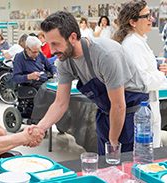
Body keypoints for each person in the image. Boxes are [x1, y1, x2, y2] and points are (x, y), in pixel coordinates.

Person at [29, 11, 149, 155]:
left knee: (126, 166)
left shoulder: (105, 55)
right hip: (106, 113)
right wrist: (39, 128)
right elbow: (60, 103)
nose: (52, 51)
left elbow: (118, 105)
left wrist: (113, 142)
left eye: (55, 44)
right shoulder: (64, 61)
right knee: (106, 167)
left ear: (73, 37)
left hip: (133, 114)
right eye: (49, 44)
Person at [113, 0, 167, 148]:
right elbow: (144, 81)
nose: (152, 19)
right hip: (142, 107)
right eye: (147, 16)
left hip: (148, 106)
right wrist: (161, 75)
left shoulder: (139, 42)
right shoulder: (133, 45)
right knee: (146, 153)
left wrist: (157, 72)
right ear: (133, 22)